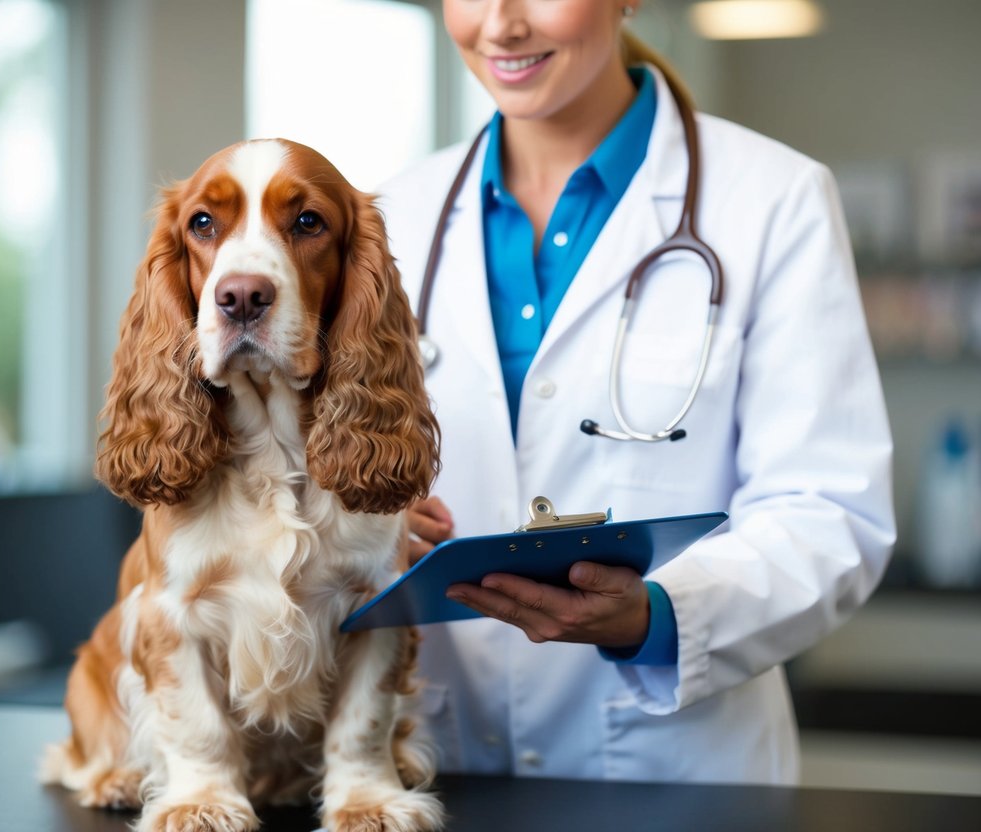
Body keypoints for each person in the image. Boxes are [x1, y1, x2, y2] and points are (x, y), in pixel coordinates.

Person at [376, 0, 895, 784]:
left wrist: (655, 616)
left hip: (676, 775)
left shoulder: (772, 201)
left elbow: (828, 512)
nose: (500, 24)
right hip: (438, 761)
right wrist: (361, 523)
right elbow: (320, 469)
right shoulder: (390, 218)